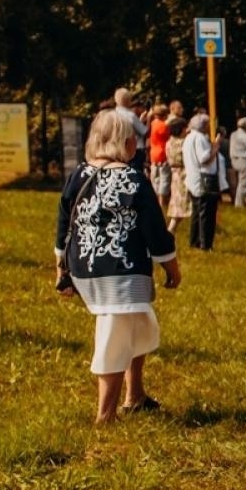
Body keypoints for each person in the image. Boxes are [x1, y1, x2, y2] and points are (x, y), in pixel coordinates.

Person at [54, 110, 181, 424]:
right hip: (121, 271)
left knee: (136, 326)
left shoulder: (78, 174)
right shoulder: (132, 178)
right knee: (114, 336)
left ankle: (134, 395)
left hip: (85, 267)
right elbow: (154, 228)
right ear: (126, 143)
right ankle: (104, 416)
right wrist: (171, 266)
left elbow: (62, 223)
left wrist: (60, 265)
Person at [182, 113, 219, 250]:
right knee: (206, 215)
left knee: (197, 214)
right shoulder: (199, 138)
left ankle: (194, 241)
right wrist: (214, 149)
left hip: (193, 179)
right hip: (203, 180)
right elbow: (204, 159)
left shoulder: (189, 138)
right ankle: (205, 244)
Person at [164, 117, 190, 237]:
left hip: (175, 174)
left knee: (178, 203)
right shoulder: (183, 143)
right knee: (185, 202)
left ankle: (171, 229)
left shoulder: (169, 142)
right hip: (184, 174)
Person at [113, 87, 149, 171]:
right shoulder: (130, 115)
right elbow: (144, 131)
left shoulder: (113, 115)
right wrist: (148, 119)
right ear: (128, 100)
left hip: (118, 149)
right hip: (135, 150)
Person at [147, 105, 172, 212]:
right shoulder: (163, 126)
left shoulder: (152, 124)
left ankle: (155, 201)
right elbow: (169, 137)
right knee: (164, 179)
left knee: (155, 179)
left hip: (153, 154)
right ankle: (161, 203)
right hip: (163, 154)